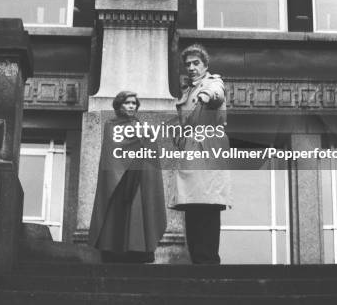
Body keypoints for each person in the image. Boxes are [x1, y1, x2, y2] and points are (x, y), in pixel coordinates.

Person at [169, 44, 232, 264]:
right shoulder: (187, 91)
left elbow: (217, 93)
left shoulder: (212, 82)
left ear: (205, 65)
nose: (192, 68)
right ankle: (198, 259)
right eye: (188, 64)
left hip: (207, 151)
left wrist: (206, 96)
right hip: (190, 153)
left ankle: (208, 261)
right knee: (193, 207)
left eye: (196, 63)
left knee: (208, 206)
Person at [88, 90, 166, 262]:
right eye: (127, 103)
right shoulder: (111, 126)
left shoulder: (143, 127)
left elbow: (151, 153)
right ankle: (113, 252)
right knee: (115, 215)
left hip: (137, 177)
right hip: (118, 179)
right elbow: (113, 151)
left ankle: (138, 252)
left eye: (134, 103)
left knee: (137, 215)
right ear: (119, 105)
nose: (131, 106)